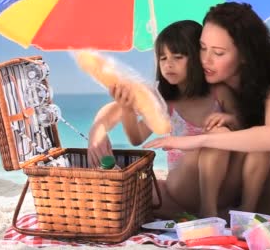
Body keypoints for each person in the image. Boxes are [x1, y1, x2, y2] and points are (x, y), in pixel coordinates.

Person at [144, 2, 270, 215]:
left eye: (218, 53)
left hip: (249, 183)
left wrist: (201, 138)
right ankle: (215, 213)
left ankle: (243, 212)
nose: (206, 60)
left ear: (245, 55)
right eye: (202, 48)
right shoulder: (201, 84)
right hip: (202, 182)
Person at [87, 20, 241, 218]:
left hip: (221, 184)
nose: (168, 64)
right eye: (163, 58)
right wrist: (124, 111)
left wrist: (228, 119)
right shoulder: (164, 101)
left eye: (177, 57)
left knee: (220, 137)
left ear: (198, 57)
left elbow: (243, 126)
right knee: (214, 141)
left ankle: (209, 211)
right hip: (182, 184)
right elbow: (136, 137)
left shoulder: (219, 93)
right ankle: (208, 213)